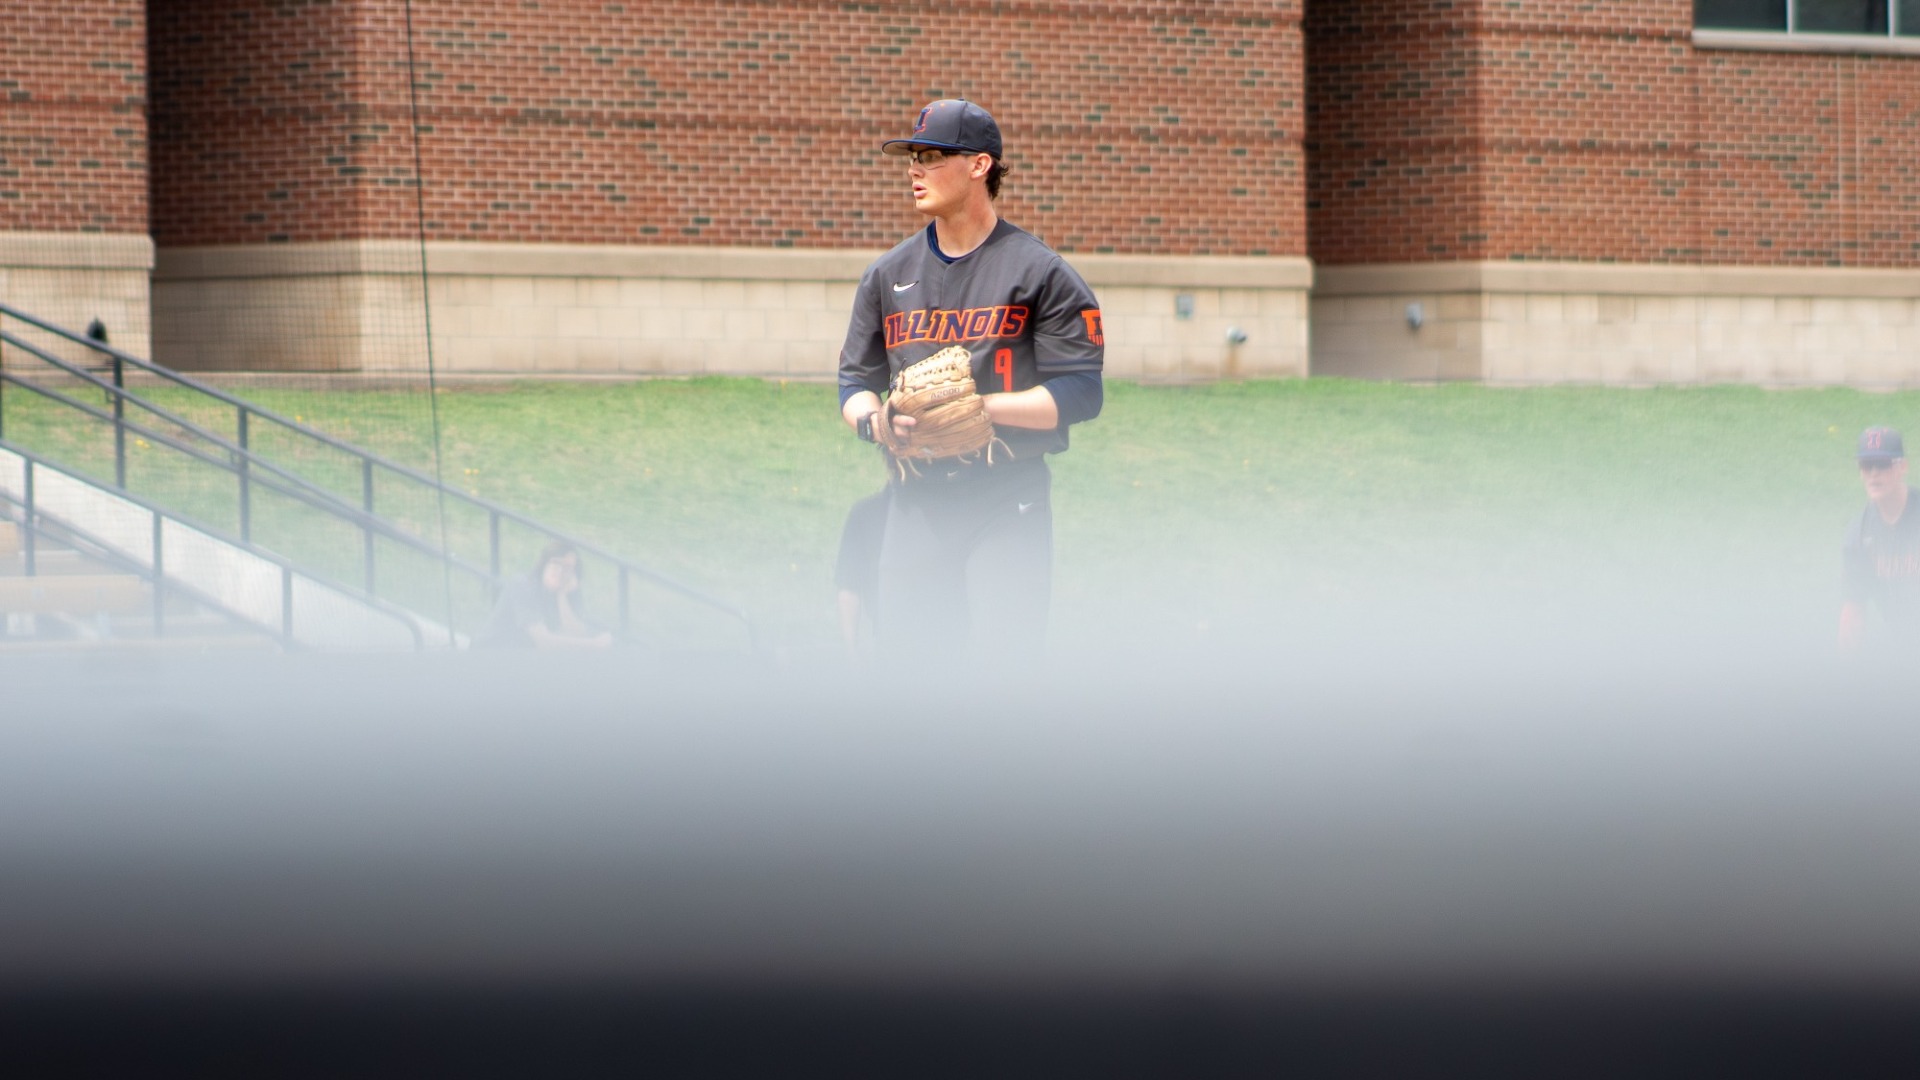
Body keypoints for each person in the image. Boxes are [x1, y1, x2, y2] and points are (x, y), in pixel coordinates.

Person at [837, 99, 1104, 658]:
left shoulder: (1040, 273)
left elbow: (1081, 392)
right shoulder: (888, 275)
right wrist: (874, 423)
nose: (915, 169)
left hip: (1007, 500)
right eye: (912, 156)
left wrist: (979, 408)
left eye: (931, 156)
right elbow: (855, 382)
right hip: (914, 499)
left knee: (1002, 672)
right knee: (910, 672)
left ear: (980, 166)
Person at [1838, 426, 1920, 650]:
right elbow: (1852, 612)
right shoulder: (1859, 534)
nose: (1874, 473)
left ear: (1902, 466)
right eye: (1866, 465)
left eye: (1882, 464)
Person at [473, 540, 613, 650]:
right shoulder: (523, 585)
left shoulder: (569, 590)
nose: (560, 571)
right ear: (544, 564)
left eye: (567, 567)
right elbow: (543, 642)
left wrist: (562, 596)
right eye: (555, 563)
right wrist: (593, 645)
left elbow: (577, 633)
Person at [833, 488, 890, 664]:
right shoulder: (867, 513)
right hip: (887, 643)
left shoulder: (952, 509)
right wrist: (852, 653)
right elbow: (849, 588)